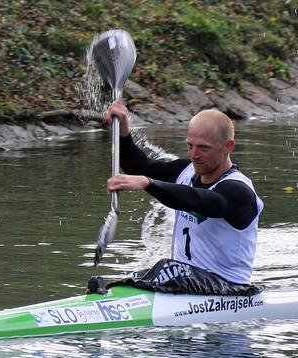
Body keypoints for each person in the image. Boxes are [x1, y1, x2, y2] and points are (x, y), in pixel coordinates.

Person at [104, 101, 263, 288]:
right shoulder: (185, 171)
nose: (194, 155)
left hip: (229, 287)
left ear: (228, 146)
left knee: (166, 268)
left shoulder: (238, 191)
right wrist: (123, 129)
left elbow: (199, 200)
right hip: (185, 280)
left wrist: (149, 183)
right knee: (136, 278)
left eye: (203, 148)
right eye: (190, 146)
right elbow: (139, 166)